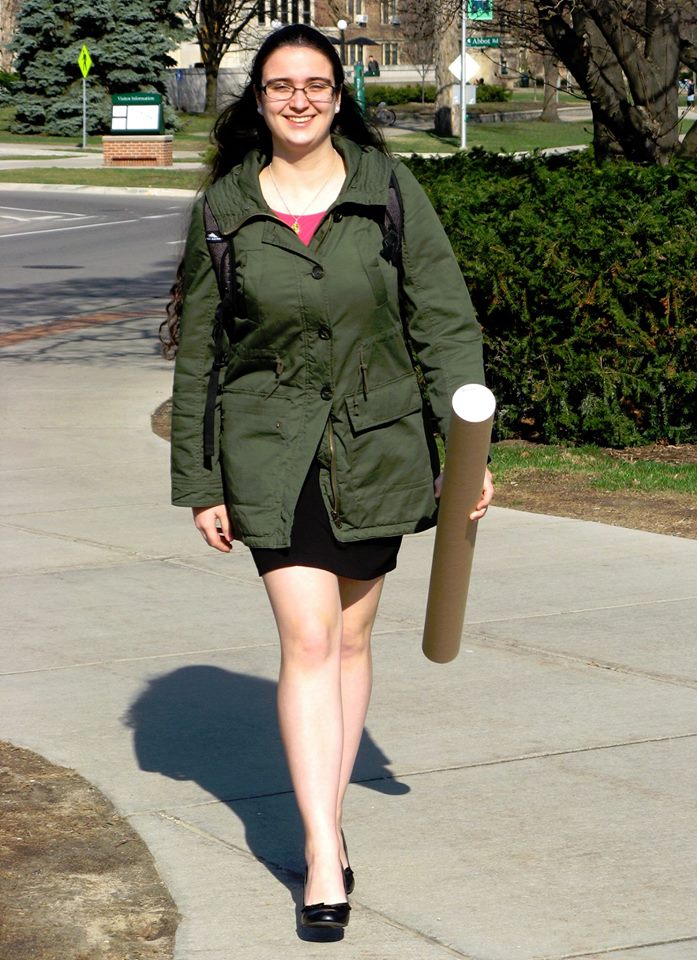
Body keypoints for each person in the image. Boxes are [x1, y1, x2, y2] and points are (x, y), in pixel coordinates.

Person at [165, 23, 493, 931]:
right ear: (258, 100)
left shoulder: (389, 192)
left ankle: (331, 819)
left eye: (316, 84)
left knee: (350, 643)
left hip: (377, 445)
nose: (299, 99)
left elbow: (445, 325)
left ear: (340, 95)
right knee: (307, 640)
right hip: (269, 452)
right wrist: (200, 480)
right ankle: (321, 855)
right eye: (281, 86)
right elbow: (201, 352)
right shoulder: (227, 209)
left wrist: (469, 451)